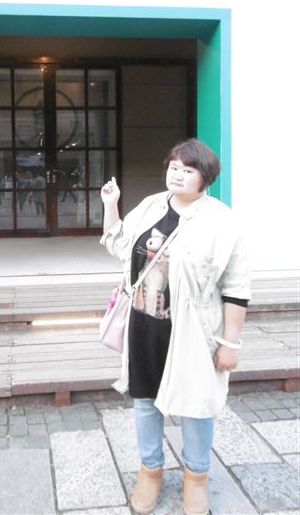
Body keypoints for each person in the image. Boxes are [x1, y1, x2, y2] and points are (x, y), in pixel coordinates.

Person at [100, 139, 250, 515]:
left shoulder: (223, 221)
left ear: (205, 178)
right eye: (173, 167)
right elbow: (118, 245)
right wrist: (110, 204)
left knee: (196, 405)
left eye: (188, 169)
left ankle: (196, 477)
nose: (177, 174)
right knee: (144, 400)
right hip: (143, 324)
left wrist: (230, 343)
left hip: (194, 330)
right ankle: (150, 471)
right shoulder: (151, 205)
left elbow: (236, 287)